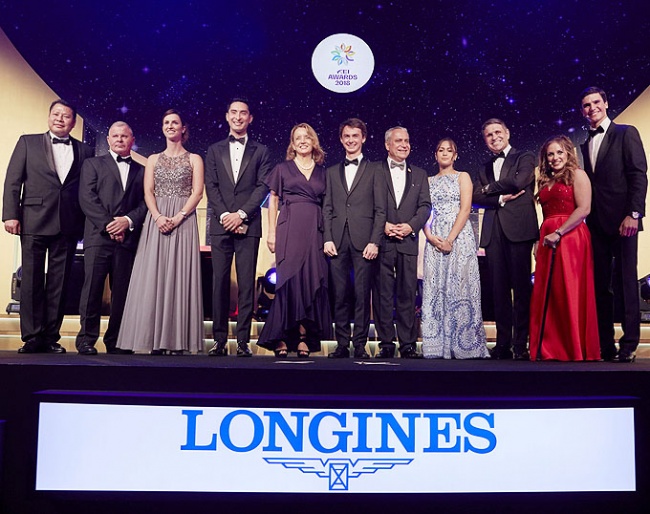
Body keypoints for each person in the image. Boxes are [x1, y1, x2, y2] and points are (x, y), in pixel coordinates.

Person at [3, 99, 93, 354]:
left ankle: (51, 336)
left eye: (66, 116)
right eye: (56, 114)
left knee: (60, 282)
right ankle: (32, 337)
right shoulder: (27, 142)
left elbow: (86, 190)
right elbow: (13, 181)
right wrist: (11, 214)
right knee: (30, 280)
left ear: (73, 122)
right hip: (33, 219)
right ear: (49, 116)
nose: (60, 119)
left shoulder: (85, 151)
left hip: (68, 223)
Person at [116, 109, 204, 354]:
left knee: (179, 277)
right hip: (157, 221)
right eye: (166, 122)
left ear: (183, 128)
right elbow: (148, 192)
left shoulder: (195, 159)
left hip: (183, 221)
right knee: (153, 276)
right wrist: (158, 217)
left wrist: (178, 217)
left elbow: (197, 193)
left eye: (175, 122)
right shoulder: (153, 159)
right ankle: (151, 339)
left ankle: (177, 341)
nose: (170, 126)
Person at [579, 86, 648, 363]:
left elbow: (638, 175)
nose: (592, 108)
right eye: (586, 105)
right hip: (595, 225)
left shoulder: (625, 132)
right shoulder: (585, 144)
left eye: (596, 102)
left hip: (624, 222)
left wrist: (634, 214)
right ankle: (606, 344)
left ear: (606, 104)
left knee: (626, 283)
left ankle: (629, 343)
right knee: (599, 286)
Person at [257, 123, 332, 358]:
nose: (302, 141)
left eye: (306, 137)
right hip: (289, 228)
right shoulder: (282, 168)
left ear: (313, 142)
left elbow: (328, 206)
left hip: (314, 230)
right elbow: (273, 200)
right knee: (288, 283)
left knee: (310, 283)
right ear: (292, 143)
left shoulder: (323, 172)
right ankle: (280, 337)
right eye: (297, 137)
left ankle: (302, 338)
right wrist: (271, 233)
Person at [205, 98, 272, 357]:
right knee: (219, 283)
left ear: (250, 118)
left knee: (246, 285)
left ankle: (243, 341)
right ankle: (219, 341)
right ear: (227, 116)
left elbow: (263, 186)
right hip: (221, 226)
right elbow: (211, 186)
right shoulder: (213, 150)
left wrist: (242, 214)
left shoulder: (261, 151)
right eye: (233, 112)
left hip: (249, 225)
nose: (238, 117)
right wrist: (225, 215)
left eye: (243, 113)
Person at [75, 122, 147, 355]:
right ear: (108, 139)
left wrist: (126, 221)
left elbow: (145, 203)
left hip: (127, 239)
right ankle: (86, 339)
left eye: (124, 136)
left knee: (123, 292)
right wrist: (109, 225)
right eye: (115, 136)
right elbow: (87, 198)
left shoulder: (142, 170)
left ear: (131, 138)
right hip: (98, 236)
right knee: (92, 289)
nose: (119, 139)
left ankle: (117, 340)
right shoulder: (92, 164)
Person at [529, 135, 600, 361]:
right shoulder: (544, 179)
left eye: (559, 152)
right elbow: (545, 215)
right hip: (547, 237)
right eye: (550, 154)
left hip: (570, 237)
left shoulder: (578, 175)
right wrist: (538, 240)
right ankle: (551, 348)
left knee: (569, 290)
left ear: (568, 153)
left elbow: (584, 209)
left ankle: (574, 348)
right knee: (552, 294)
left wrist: (559, 232)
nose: (555, 157)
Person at [472, 118, 538, 360]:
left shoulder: (525, 157)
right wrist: (498, 196)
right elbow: (475, 196)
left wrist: (489, 188)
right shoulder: (482, 167)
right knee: (498, 292)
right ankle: (503, 345)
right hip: (493, 232)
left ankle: (521, 345)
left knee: (521, 290)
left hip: (519, 230)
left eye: (497, 132)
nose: (494, 137)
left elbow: (519, 182)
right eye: (488, 135)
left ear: (507, 133)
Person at [421, 138, 489, 359]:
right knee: (436, 286)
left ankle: (465, 345)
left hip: (459, 236)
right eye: (440, 150)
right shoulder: (427, 181)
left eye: (449, 150)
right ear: (435, 154)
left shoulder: (463, 177)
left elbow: (466, 208)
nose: (444, 153)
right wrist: (430, 236)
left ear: (455, 155)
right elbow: (423, 210)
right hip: (434, 236)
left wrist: (450, 238)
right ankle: (436, 345)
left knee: (460, 286)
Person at [323, 118, 385, 359]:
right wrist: (327, 237)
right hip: (336, 241)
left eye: (355, 136)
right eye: (346, 136)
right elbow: (326, 208)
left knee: (362, 294)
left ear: (363, 138)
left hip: (364, 242)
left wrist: (374, 241)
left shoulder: (375, 170)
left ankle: (359, 344)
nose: (350, 140)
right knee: (339, 294)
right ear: (341, 139)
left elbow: (381, 209)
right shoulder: (330, 172)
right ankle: (341, 344)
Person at [372, 127, 431, 359]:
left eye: (407, 140)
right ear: (388, 145)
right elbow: (368, 201)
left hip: (408, 240)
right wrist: (384, 225)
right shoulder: (374, 170)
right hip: (382, 239)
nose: (404, 144)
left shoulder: (419, 173)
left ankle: (407, 344)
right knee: (383, 294)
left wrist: (411, 226)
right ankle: (386, 343)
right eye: (399, 141)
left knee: (407, 293)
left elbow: (425, 206)